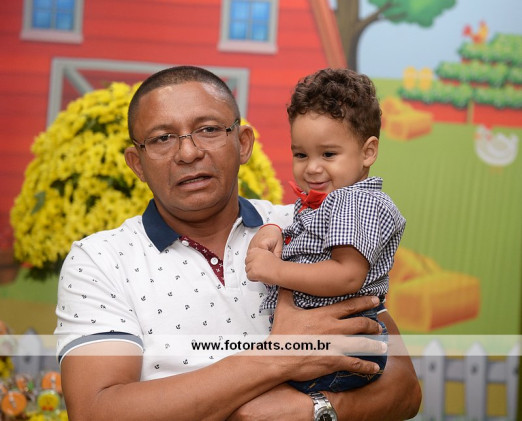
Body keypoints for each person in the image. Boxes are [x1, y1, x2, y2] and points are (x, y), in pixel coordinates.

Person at [54, 65, 421, 420]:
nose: (188, 153)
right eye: (163, 138)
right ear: (137, 163)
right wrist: (276, 357)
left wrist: (314, 410)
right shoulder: (101, 260)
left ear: (243, 144)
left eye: (208, 129)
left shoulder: (306, 225)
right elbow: (94, 411)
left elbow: (404, 389)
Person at [245, 68, 406, 395]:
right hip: (327, 338)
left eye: (328, 154)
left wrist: (275, 270)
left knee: (244, 397)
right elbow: (310, 245)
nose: (312, 167)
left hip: (342, 342)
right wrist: (275, 229)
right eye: (301, 154)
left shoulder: (354, 200)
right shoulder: (327, 201)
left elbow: (347, 276)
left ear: (368, 152)